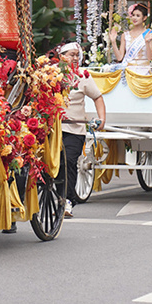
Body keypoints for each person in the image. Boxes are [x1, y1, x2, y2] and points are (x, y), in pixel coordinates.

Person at [56, 42, 106, 217]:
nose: (75, 58)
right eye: (71, 54)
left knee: (69, 162)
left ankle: (68, 200)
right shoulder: (50, 74)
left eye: (77, 55)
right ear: (61, 57)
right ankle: (55, 197)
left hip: (74, 129)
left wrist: (101, 118)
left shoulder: (83, 76)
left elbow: (98, 97)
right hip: (54, 129)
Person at [108, 3, 152, 75]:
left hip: (144, 71)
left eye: (138, 16)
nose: (134, 18)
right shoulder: (125, 35)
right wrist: (113, 42)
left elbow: (150, 58)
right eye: (133, 15)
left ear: (144, 18)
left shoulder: (149, 34)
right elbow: (119, 57)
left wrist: (146, 42)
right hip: (128, 72)